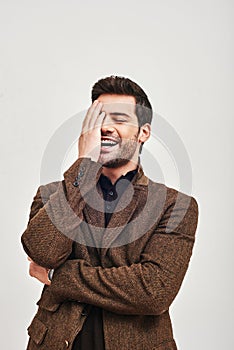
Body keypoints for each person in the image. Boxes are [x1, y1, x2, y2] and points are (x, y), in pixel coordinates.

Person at [21, 75, 199, 350]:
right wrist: (84, 166)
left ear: (144, 133)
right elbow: (43, 252)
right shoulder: (52, 193)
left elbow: (153, 292)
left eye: (119, 119)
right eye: (97, 118)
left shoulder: (174, 206)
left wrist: (60, 277)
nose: (105, 128)